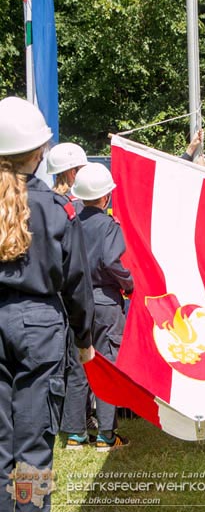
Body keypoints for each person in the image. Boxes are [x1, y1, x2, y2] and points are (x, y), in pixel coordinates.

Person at [0, 96, 94, 512]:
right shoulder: (56, 208)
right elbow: (77, 283)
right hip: (40, 326)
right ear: (39, 153)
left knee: (1, 445)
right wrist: (84, 337)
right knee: (34, 448)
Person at [71, 162, 134, 451]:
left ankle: (76, 433)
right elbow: (111, 261)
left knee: (79, 365)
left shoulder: (70, 221)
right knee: (107, 365)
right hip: (106, 303)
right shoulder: (108, 225)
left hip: (76, 301)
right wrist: (130, 283)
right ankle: (107, 436)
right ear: (106, 197)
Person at [47, 143, 99, 446]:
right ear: (72, 172)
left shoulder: (40, 204)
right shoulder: (70, 209)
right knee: (76, 367)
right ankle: (74, 426)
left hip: (53, 301)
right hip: (70, 299)